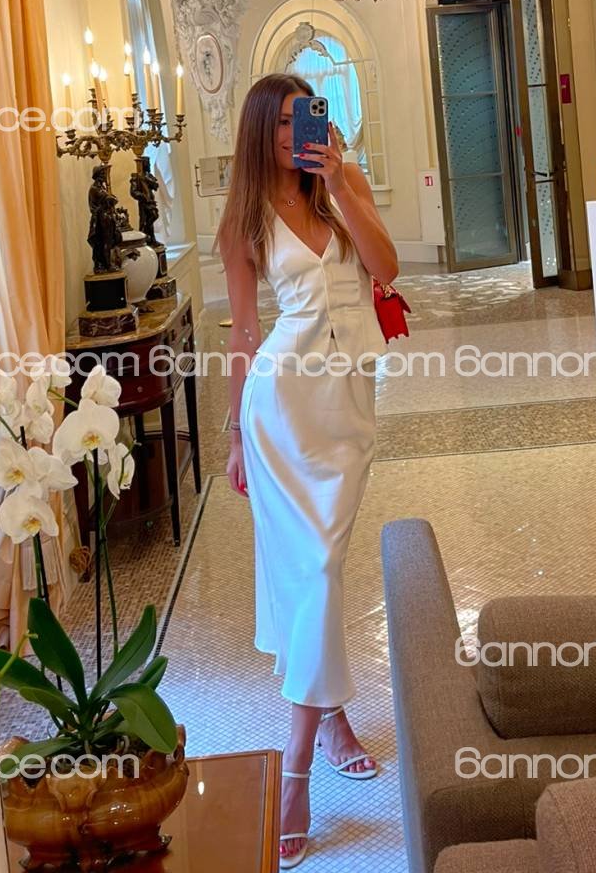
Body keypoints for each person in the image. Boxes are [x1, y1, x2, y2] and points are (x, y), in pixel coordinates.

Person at [216, 73, 399, 868]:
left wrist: (343, 188)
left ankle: (332, 719)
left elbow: (387, 268)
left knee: (319, 570)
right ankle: (298, 767)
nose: (298, 135)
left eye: (307, 119)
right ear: (262, 132)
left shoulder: (343, 182)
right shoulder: (246, 217)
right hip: (281, 408)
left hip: (348, 406)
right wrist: (234, 436)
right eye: (284, 124)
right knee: (315, 571)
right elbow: (243, 331)